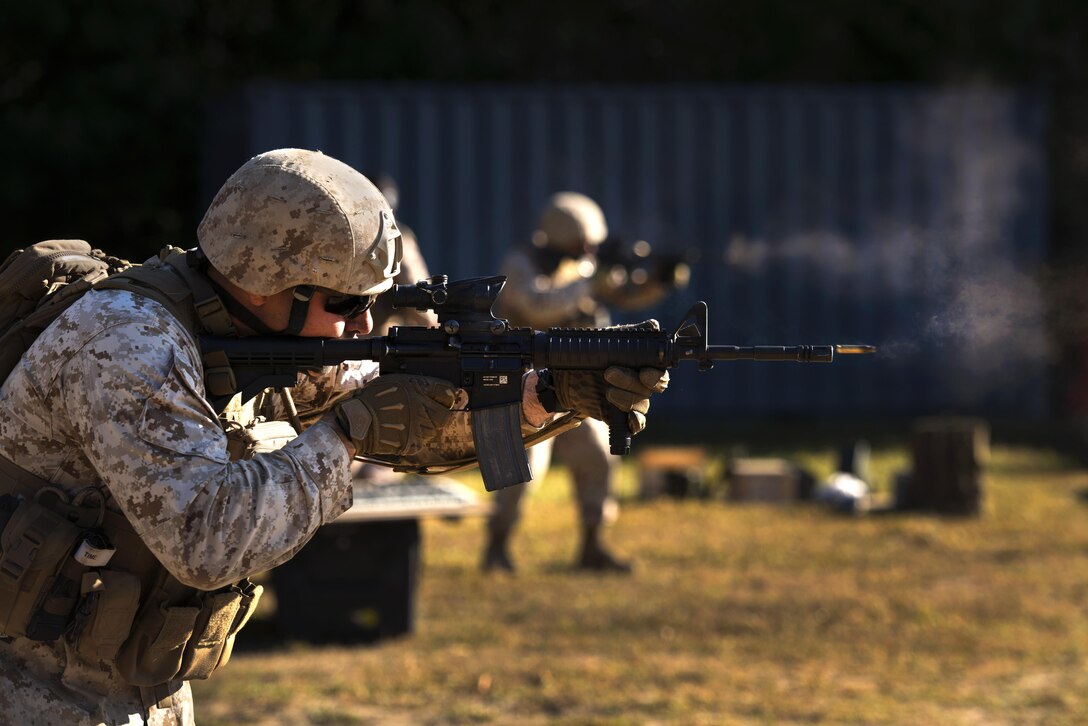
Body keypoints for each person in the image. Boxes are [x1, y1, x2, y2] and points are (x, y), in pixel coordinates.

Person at [0, 150, 668, 725]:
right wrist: (347, 434)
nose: (360, 325)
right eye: (345, 304)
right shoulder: (127, 342)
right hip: (32, 688)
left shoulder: (260, 333)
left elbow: (405, 422)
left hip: (128, 680)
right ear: (267, 279)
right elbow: (207, 539)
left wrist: (542, 399)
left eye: (370, 302)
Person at [482, 192, 676, 574]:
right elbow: (537, 305)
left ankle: (592, 545)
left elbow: (623, 294)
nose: (586, 252)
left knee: (597, 461)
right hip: (527, 385)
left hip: (575, 382)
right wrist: (591, 281)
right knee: (521, 469)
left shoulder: (584, 267)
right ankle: (497, 548)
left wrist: (658, 282)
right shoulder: (521, 263)